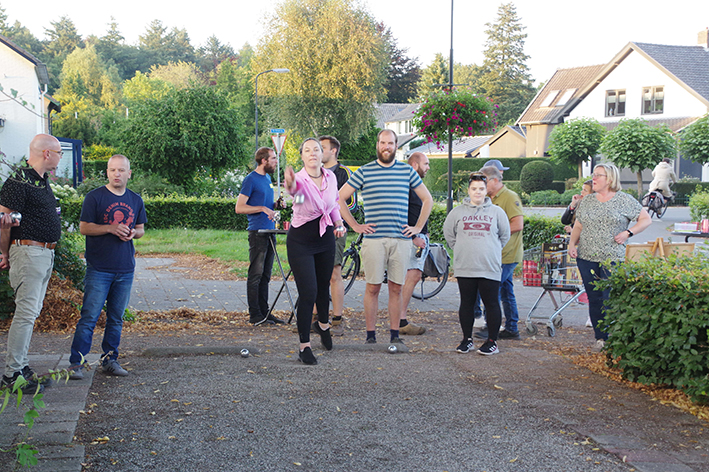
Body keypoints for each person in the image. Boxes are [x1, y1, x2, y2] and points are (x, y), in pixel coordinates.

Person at [338, 129, 433, 345]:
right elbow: (339, 198)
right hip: (373, 240)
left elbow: (427, 200)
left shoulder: (406, 172)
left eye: (390, 143)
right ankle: (370, 335)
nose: (386, 147)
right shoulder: (364, 171)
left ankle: (394, 334)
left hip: (400, 240)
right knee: (373, 287)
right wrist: (355, 225)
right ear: (377, 145)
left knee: (396, 287)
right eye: (382, 143)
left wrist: (417, 227)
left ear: (396, 146)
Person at [68, 154, 147, 379]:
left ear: (129, 173)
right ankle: (77, 363)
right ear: (107, 172)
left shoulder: (135, 199)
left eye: (121, 170)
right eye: (113, 170)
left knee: (116, 318)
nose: (117, 174)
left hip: (125, 268)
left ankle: (110, 360)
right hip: (99, 267)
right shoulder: (95, 197)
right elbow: (84, 228)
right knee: (90, 316)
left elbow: (141, 228)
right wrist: (110, 228)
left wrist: (134, 233)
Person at [0, 134, 62, 394]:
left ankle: (22, 366)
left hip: (43, 254)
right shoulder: (19, 180)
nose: (60, 158)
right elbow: (4, 220)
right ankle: (12, 374)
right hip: (28, 252)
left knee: (30, 313)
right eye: (58, 152)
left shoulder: (40, 181)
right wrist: (3, 253)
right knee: (26, 314)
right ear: (47, 153)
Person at [569, 163, 651, 352]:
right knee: (594, 298)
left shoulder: (624, 200)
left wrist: (628, 233)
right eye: (594, 174)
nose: (594, 178)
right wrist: (572, 244)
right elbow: (579, 225)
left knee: (609, 298)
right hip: (587, 257)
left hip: (613, 257)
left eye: (598, 175)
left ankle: (614, 336)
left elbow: (646, 219)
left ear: (611, 179)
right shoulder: (588, 201)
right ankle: (601, 338)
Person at [284, 138, 346, 365]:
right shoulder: (299, 180)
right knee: (308, 291)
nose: (312, 153)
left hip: (326, 238)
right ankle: (304, 347)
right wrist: (291, 186)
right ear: (302, 156)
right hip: (301, 241)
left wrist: (339, 223)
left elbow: (334, 203)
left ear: (323, 154)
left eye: (316, 150)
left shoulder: (330, 177)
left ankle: (323, 325)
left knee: (323, 289)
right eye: (307, 150)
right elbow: (297, 200)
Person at [444, 172, 510, 355]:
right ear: (469, 190)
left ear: (486, 190)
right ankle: (467, 340)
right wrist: (462, 249)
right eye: (474, 189)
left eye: (481, 189)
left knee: (491, 304)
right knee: (467, 303)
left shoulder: (497, 213)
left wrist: (490, 249)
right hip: (465, 267)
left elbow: (504, 236)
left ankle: (492, 342)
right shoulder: (457, 212)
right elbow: (449, 234)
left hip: (489, 267)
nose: (478, 192)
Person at [236, 147, 285, 326]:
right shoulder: (250, 180)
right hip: (257, 232)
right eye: (273, 159)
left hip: (270, 231)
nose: (275, 162)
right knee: (255, 274)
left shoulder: (267, 178)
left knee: (266, 275)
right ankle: (255, 314)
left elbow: (265, 203)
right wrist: (263, 209)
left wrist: (275, 204)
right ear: (263, 160)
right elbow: (239, 207)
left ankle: (265, 312)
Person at [474, 165, 524, 340]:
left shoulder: (509, 197)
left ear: (495, 180)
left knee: (491, 290)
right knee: (506, 291)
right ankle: (511, 328)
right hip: (495, 254)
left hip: (506, 255)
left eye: (484, 181)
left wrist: (493, 233)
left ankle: (491, 326)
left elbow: (517, 224)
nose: (480, 185)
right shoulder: (489, 198)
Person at [316, 135, 354, 336]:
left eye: (322, 147)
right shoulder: (312, 172)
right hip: (313, 229)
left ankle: (337, 316)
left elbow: (352, 203)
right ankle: (315, 315)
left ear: (333, 151)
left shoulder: (343, 173)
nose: (318, 151)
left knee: (334, 272)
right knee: (314, 273)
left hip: (334, 228)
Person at [398, 151, 431, 335]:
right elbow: (400, 213)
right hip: (413, 240)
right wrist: (413, 236)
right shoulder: (408, 186)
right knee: (411, 277)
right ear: (415, 165)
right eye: (425, 164)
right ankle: (400, 321)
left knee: (412, 277)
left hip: (417, 239)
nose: (428, 168)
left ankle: (400, 318)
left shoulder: (415, 186)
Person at [561, 179, 593, 324]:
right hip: (576, 247)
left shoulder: (594, 208)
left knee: (590, 284)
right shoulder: (580, 205)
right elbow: (565, 220)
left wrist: (573, 231)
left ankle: (592, 315)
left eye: (585, 190)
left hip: (587, 248)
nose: (581, 193)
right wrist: (573, 204)